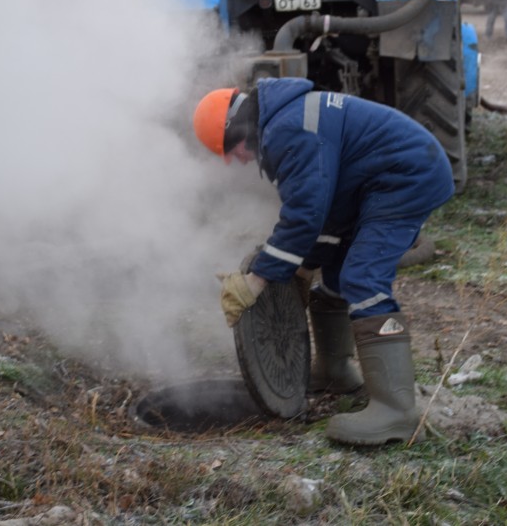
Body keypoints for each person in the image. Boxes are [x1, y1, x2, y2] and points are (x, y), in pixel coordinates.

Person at [192, 77, 454, 445]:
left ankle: (397, 412)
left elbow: (306, 214)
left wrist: (257, 281)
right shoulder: (286, 119)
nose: (238, 160)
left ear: (238, 128)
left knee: (363, 278)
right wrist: (301, 265)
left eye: (231, 150)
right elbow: (325, 216)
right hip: (375, 182)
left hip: (406, 177)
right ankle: (335, 370)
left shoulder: (288, 129)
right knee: (333, 276)